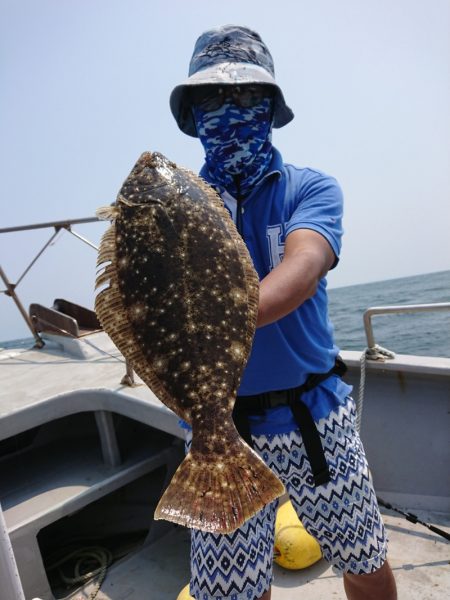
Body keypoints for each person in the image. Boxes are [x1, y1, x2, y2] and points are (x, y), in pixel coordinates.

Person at [170, 25, 397, 600]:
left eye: (247, 96)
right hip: (217, 430)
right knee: (236, 590)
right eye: (213, 98)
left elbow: (301, 270)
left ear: (271, 109)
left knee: (364, 558)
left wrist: (205, 327)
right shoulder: (177, 208)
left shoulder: (310, 188)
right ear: (192, 116)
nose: (230, 109)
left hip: (313, 416)